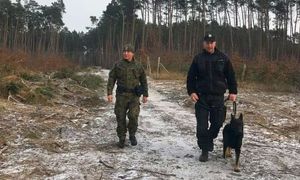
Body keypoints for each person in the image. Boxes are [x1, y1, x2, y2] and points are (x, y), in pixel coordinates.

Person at [186, 34, 237, 162]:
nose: (209, 45)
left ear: (215, 43)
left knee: (217, 123)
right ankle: (205, 150)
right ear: (204, 44)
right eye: (207, 42)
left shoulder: (223, 58)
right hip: (202, 98)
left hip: (218, 98)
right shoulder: (198, 59)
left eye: (211, 42)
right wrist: (191, 91)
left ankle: (207, 140)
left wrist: (233, 91)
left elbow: (231, 76)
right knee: (202, 127)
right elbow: (191, 77)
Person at [107, 44, 148, 148]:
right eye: (124, 51)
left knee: (133, 116)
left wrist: (145, 94)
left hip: (134, 96)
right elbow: (111, 78)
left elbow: (144, 80)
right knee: (120, 117)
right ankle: (121, 137)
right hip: (121, 96)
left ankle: (132, 134)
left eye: (128, 51)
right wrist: (109, 93)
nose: (126, 53)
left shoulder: (138, 66)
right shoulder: (118, 65)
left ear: (132, 53)